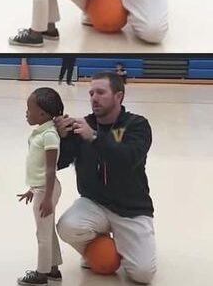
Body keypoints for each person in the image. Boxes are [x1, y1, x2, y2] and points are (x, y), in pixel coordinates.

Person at [53, 72, 156, 284]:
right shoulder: (81, 126)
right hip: (94, 203)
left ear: (119, 97)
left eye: (101, 92)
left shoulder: (137, 125)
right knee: (67, 225)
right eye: (91, 93)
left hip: (131, 210)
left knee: (143, 274)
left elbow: (127, 159)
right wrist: (59, 139)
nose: (94, 97)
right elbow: (58, 163)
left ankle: (125, 243)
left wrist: (94, 137)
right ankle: (99, 245)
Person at [17, 88, 64, 285]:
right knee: (48, 230)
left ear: (43, 113)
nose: (26, 112)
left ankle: (41, 273)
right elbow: (39, 168)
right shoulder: (41, 132)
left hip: (47, 189)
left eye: (29, 108)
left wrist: (46, 197)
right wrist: (32, 189)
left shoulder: (49, 135)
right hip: (41, 188)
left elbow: (50, 170)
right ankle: (53, 269)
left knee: (42, 234)